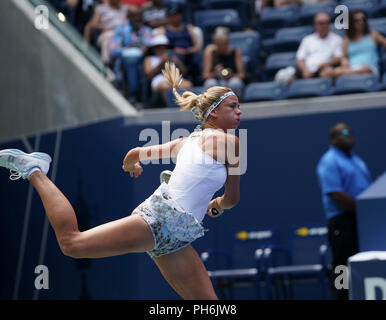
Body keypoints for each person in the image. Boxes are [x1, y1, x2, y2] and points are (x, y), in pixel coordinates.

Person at [0, 63, 242, 300]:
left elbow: (134, 154)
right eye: (233, 106)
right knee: (71, 243)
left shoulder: (184, 142)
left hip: (177, 235)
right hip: (163, 220)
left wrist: (131, 165)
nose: (239, 111)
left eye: (239, 107)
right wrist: (218, 204)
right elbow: (232, 199)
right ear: (213, 111)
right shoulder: (232, 143)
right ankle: (35, 169)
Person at [316, 122, 372, 300]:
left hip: (360, 221)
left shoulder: (356, 160)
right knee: (342, 265)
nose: (350, 135)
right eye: (344, 132)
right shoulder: (329, 161)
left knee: (360, 263)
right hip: (342, 222)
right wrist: (363, 209)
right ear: (333, 138)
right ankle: (340, 297)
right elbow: (337, 195)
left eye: (351, 132)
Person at [109, 7, 153, 101]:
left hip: (143, 59)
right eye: (134, 16)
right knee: (130, 61)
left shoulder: (146, 30)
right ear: (129, 17)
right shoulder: (121, 30)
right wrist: (127, 51)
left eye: (139, 16)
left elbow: (150, 44)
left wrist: (144, 48)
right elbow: (113, 50)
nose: (137, 19)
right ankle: (132, 93)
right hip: (125, 60)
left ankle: (138, 95)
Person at [332, 10, 386, 80]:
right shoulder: (346, 39)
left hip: (369, 69)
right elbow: (344, 57)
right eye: (357, 20)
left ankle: (347, 74)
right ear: (351, 22)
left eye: (363, 19)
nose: (361, 22)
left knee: (364, 69)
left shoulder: (373, 35)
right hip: (351, 68)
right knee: (336, 71)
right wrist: (344, 62)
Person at [154, 3, 202, 76]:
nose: (176, 17)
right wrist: (175, 51)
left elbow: (197, 46)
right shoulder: (162, 30)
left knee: (199, 56)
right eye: (173, 15)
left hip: (189, 53)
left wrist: (187, 51)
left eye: (178, 14)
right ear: (168, 16)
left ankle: (200, 81)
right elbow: (161, 48)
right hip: (173, 54)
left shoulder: (189, 28)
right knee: (176, 58)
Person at [143, 35, 192, 105]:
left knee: (187, 84)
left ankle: (184, 106)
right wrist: (161, 62)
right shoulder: (149, 59)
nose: (161, 49)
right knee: (165, 87)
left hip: (175, 78)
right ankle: (170, 106)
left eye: (163, 47)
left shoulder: (173, 58)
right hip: (159, 79)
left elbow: (184, 72)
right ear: (154, 49)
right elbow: (148, 74)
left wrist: (177, 63)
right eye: (158, 48)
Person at [295, 12, 343, 80]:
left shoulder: (337, 39)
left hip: (325, 69)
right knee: (288, 78)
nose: (324, 25)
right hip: (307, 70)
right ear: (315, 25)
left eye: (327, 22)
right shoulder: (307, 40)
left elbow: (339, 57)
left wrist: (327, 63)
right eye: (321, 23)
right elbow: (300, 58)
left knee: (328, 72)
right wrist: (305, 70)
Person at [202, 27, 245, 99]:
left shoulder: (236, 52)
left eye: (223, 44)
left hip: (231, 79)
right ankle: (213, 106)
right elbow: (205, 75)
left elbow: (242, 75)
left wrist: (231, 75)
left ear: (228, 42)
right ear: (215, 43)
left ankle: (235, 104)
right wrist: (216, 73)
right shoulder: (210, 53)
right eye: (219, 44)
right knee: (210, 83)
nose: (221, 47)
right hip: (216, 80)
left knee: (235, 83)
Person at [83, 0, 131, 64]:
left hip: (122, 36)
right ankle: (106, 63)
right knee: (108, 37)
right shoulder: (102, 8)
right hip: (106, 35)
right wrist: (104, 27)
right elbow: (92, 24)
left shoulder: (124, 8)